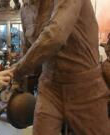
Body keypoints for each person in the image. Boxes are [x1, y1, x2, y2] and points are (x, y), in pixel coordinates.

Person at [12, 0, 110, 135]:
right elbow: (27, 50)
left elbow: (54, 36)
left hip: (85, 88)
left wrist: (16, 71)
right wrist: (13, 86)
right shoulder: (25, 10)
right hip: (50, 87)